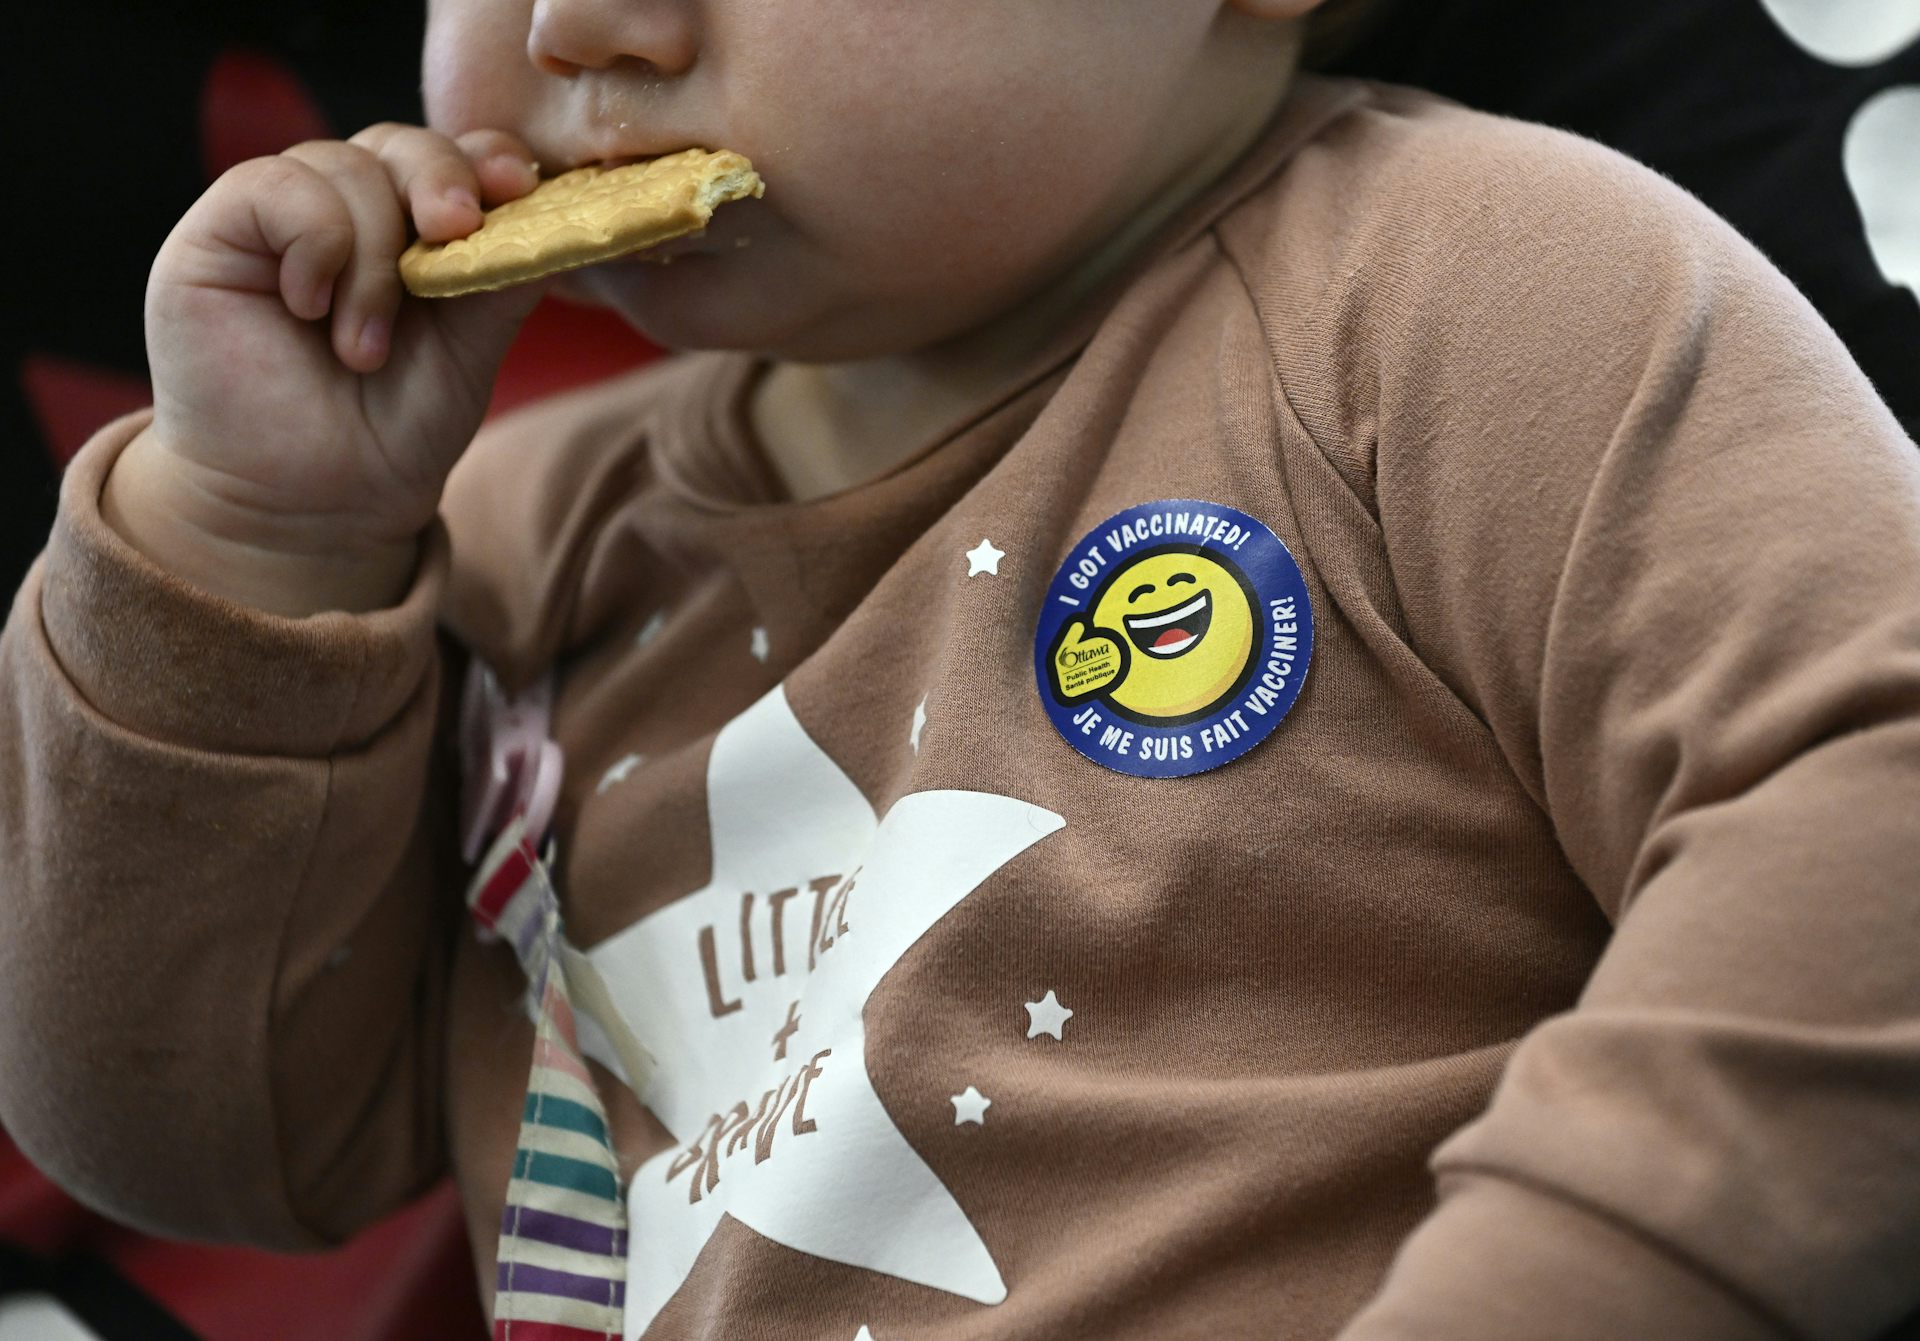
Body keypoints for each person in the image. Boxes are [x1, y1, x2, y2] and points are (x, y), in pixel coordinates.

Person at [2, 0, 1916, 1338]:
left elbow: (1870, 799)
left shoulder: (1463, 294)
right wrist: (255, 548)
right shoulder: (499, 539)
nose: (580, 23)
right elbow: (206, 1136)